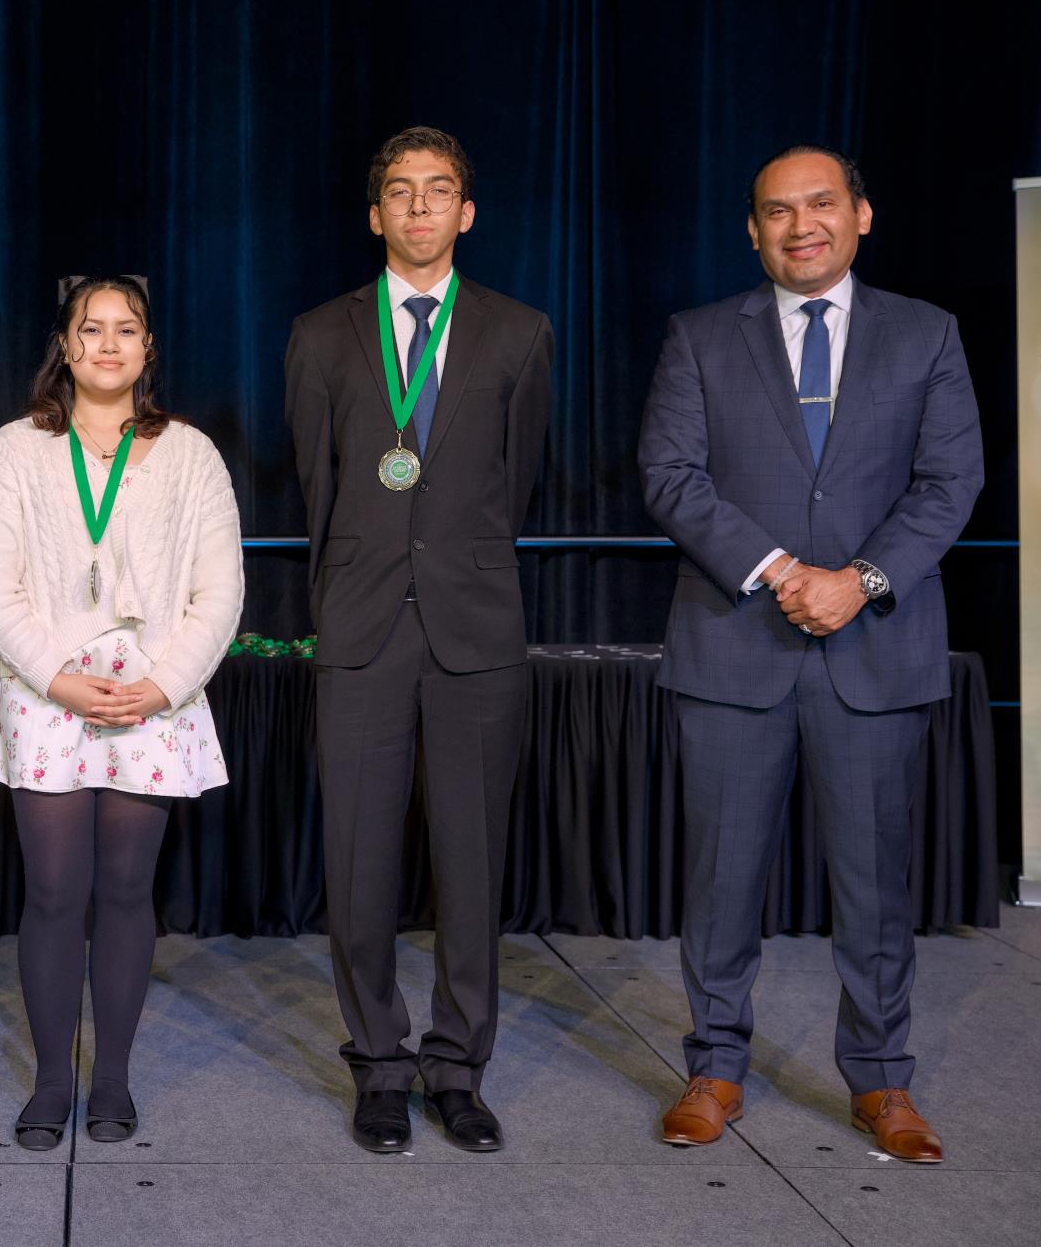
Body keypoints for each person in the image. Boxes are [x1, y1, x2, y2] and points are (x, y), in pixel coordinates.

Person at [638, 146, 983, 1162]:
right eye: (778, 211)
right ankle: (713, 1068)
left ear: (859, 215)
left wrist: (858, 580)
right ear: (752, 231)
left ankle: (880, 1080)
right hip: (734, 647)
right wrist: (784, 569)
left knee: (875, 884)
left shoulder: (926, 333)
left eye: (820, 204)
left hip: (873, 647)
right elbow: (669, 474)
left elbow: (948, 482)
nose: (801, 226)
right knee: (719, 879)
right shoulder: (699, 336)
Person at [283, 127, 552, 1155]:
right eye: (401, 192)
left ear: (465, 213)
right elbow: (318, 489)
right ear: (375, 214)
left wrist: (451, 562)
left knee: (471, 863)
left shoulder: (519, 331)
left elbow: (515, 482)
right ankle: (380, 1066)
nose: (420, 207)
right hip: (361, 627)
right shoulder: (320, 334)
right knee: (358, 861)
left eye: (439, 191)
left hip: (475, 627)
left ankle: (457, 1067)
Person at [0, 276, 243, 1151]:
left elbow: (220, 591)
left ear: (148, 349)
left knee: (125, 889)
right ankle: (52, 1079)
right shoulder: (15, 448)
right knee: (54, 890)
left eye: (127, 330)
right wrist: (58, 677)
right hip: (46, 692)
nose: (109, 344)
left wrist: (162, 684)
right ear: (66, 345)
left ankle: (111, 1075)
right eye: (92, 329)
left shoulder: (191, 454)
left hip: (152, 695)